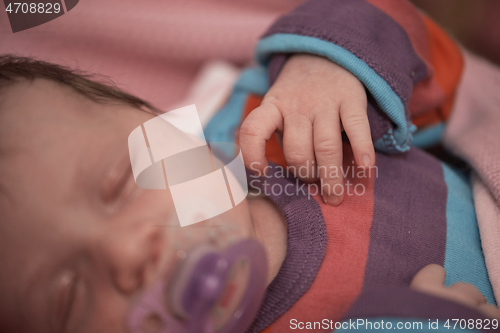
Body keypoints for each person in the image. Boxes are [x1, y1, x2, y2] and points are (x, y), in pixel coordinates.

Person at [1, 1, 499, 333]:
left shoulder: (264, 118)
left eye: (119, 184)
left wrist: (331, 66)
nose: (126, 252)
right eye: (67, 298)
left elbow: (402, 34)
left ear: (159, 122)